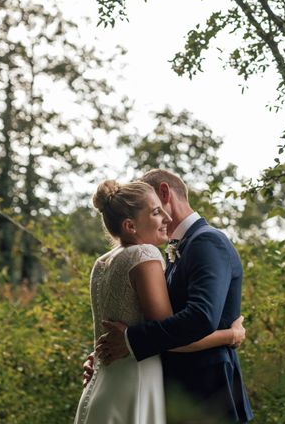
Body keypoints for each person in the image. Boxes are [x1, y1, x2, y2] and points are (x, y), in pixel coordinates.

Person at [74, 179, 246, 424]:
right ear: (130, 225)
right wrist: (231, 335)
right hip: (138, 382)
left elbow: (148, 323)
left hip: (107, 382)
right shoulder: (146, 255)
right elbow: (171, 331)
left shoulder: (102, 262)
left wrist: (105, 352)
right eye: (155, 212)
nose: (165, 217)